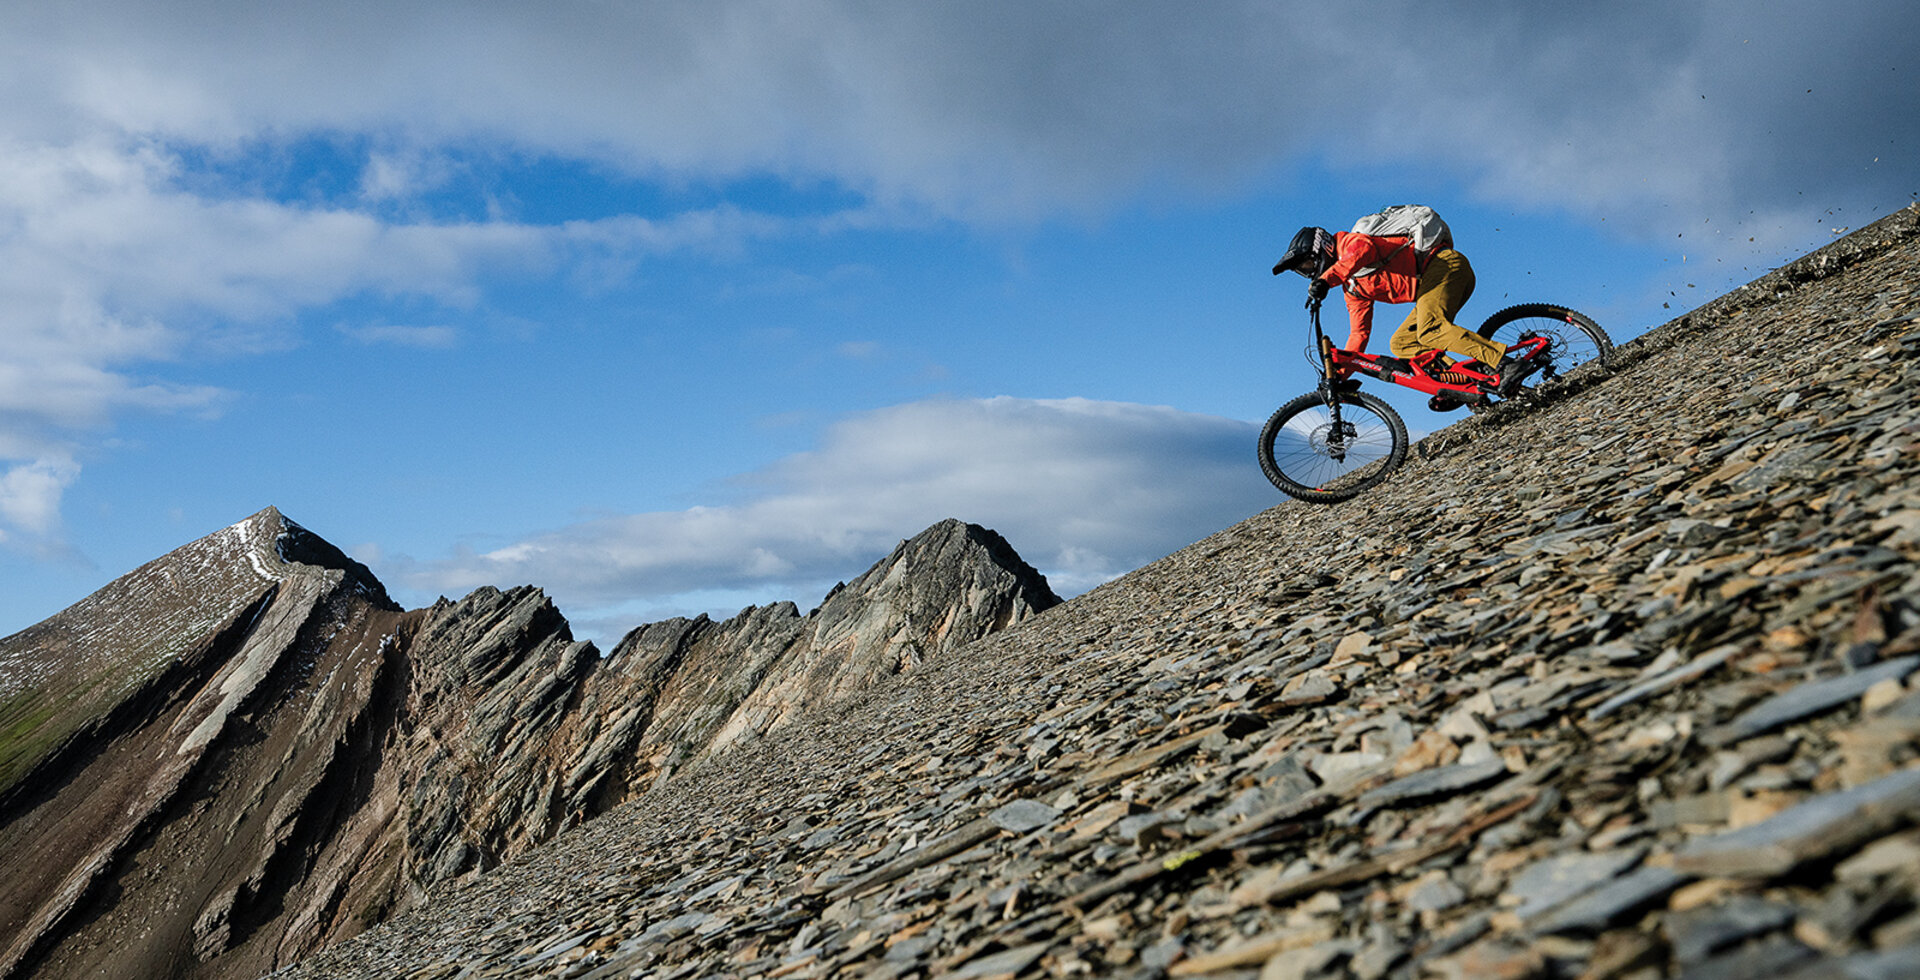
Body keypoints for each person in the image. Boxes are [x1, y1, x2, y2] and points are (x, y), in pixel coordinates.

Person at [1272, 225, 1536, 395]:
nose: (1306, 273)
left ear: (1321, 248)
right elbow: (1359, 336)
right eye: (1301, 271)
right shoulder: (1353, 288)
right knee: (1402, 343)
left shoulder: (1350, 243)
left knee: (1431, 329)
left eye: (1306, 265)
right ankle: (1464, 384)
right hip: (1430, 289)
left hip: (1445, 266)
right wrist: (1339, 376)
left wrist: (1326, 281)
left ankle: (1504, 362)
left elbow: (1361, 253)